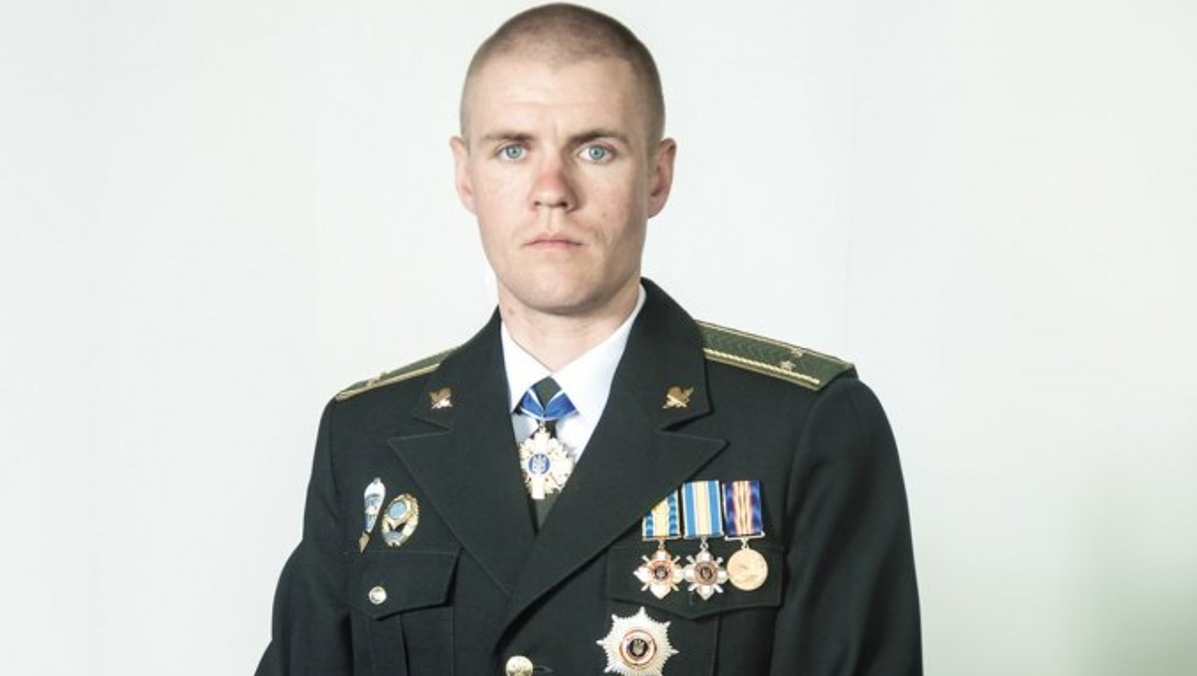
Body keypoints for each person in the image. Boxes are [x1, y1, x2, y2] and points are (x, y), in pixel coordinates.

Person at [256, 4, 921, 675]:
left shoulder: (802, 429)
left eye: (594, 149)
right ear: (465, 174)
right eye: (513, 149)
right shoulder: (365, 436)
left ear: (656, 175)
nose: (552, 190)